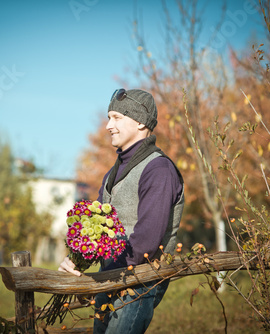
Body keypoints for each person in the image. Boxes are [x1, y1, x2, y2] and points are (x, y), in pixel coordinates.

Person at [59, 88, 184, 334]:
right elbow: (94, 231)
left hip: (137, 283)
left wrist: (109, 274)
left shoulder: (158, 169)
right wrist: (77, 260)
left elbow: (146, 242)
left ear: (140, 122)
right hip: (111, 278)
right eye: (109, 118)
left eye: (116, 117)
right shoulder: (112, 173)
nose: (108, 126)